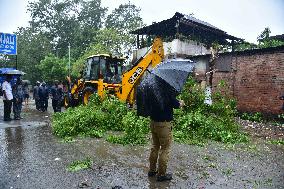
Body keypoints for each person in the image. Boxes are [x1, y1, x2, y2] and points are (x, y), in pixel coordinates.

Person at [147, 89, 185, 182]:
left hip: (153, 123)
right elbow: (176, 105)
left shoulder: (152, 90)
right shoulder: (167, 92)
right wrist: (181, 103)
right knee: (165, 149)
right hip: (163, 125)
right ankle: (161, 175)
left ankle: (152, 171)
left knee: (154, 147)